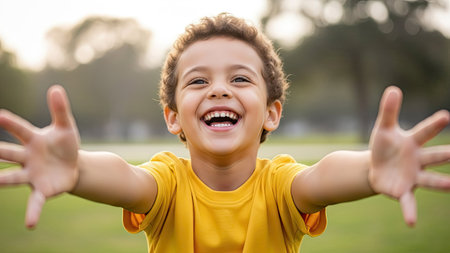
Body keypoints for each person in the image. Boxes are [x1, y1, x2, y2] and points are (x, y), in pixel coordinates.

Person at [0, 13, 449, 253]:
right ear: (173, 117)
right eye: (198, 81)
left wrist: (373, 170)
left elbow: (322, 178)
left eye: (239, 79)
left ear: (272, 113)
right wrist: (74, 171)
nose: (218, 89)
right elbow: (125, 178)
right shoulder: (168, 185)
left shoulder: (279, 189)